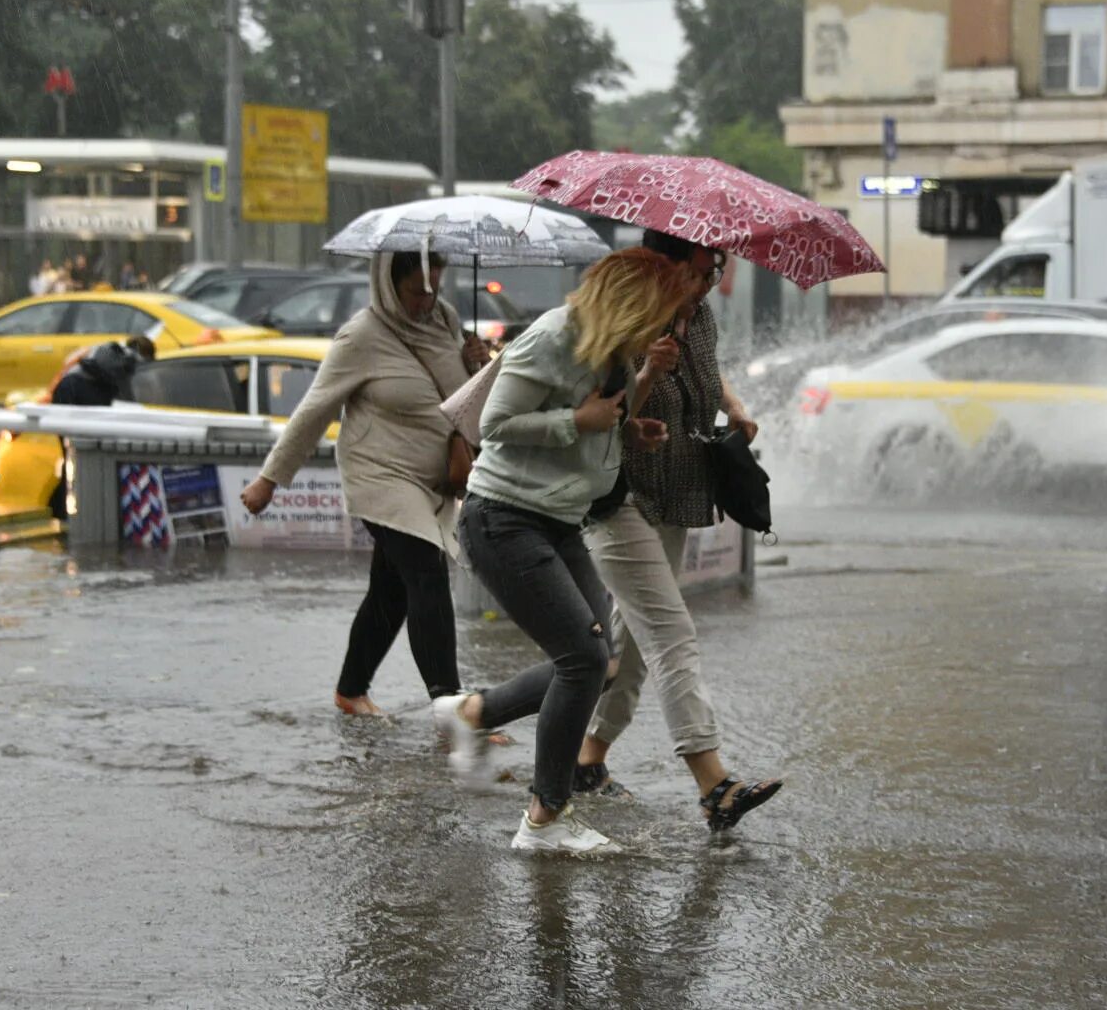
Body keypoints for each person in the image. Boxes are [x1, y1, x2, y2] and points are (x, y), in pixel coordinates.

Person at [431, 248, 688, 854]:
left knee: (603, 662)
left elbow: (598, 417)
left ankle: (471, 714)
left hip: (560, 519)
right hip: (505, 519)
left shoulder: (616, 350)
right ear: (631, 302)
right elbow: (492, 424)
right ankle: (545, 817)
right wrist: (580, 421)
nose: (669, 327)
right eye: (662, 313)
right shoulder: (551, 336)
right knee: (583, 658)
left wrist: (628, 429)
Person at [573, 229, 781, 833]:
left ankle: (586, 760)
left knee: (633, 645)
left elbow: (710, 376)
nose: (708, 279)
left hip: (679, 492)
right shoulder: (625, 319)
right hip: (621, 495)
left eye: (714, 268)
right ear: (665, 267)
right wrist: (645, 374)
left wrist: (735, 406)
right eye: (699, 268)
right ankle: (714, 783)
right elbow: (596, 416)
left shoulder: (701, 317)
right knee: (671, 632)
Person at [240, 252, 491, 716]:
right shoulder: (362, 336)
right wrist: (269, 480)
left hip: (431, 479)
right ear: (388, 284)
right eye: (416, 291)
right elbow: (315, 409)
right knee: (426, 571)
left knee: (391, 590)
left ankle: (351, 691)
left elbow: (461, 401)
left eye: (434, 289)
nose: (426, 301)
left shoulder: (448, 321)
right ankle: (453, 711)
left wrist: (477, 363)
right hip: (379, 474)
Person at [49, 335, 157, 406]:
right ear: (146, 356)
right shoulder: (127, 365)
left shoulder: (104, 349)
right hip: (81, 391)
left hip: (65, 386)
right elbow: (129, 401)